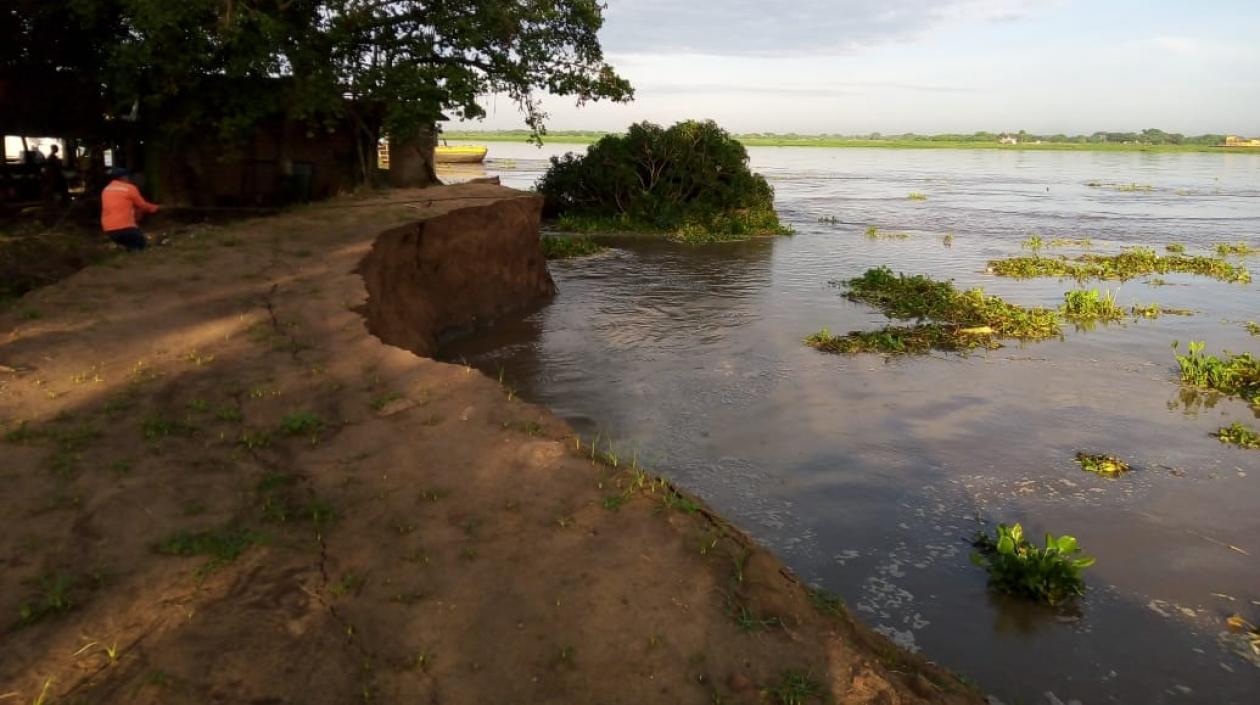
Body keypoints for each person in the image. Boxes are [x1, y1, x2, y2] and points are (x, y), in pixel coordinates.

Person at [100, 167, 159, 251]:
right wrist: (155, 208)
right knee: (142, 246)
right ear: (124, 177)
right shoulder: (129, 188)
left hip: (109, 231)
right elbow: (142, 205)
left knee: (129, 245)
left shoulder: (106, 190)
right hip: (126, 229)